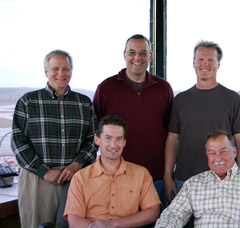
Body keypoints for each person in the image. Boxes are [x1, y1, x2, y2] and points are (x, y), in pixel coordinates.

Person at [11, 49, 97, 228]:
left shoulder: (84, 103)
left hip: (75, 178)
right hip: (38, 179)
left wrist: (77, 164)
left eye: (66, 69)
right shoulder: (28, 102)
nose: (61, 73)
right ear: (46, 71)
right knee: (38, 224)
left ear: (71, 71)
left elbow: (92, 140)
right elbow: (18, 144)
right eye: (55, 68)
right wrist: (43, 171)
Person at [164, 40, 240, 203]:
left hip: (222, 183)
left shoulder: (233, 100)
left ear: (218, 64)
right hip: (184, 181)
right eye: (201, 59)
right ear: (194, 63)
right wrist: (168, 177)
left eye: (210, 60)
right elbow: (172, 141)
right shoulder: (180, 100)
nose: (205, 64)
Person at [93, 34, 174, 206]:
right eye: (132, 52)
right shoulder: (106, 88)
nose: (137, 57)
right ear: (124, 55)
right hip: (117, 178)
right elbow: (96, 133)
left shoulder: (163, 89)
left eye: (143, 53)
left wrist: (168, 176)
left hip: (156, 178)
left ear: (150, 56)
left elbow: (171, 135)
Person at [155, 130, 240, 227]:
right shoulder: (193, 184)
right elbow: (173, 214)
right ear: (207, 156)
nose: (218, 158)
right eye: (212, 153)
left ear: (234, 152)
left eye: (223, 151)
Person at [64, 115, 161, 227]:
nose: (113, 145)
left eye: (119, 139)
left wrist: (114, 224)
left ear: (124, 142)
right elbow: (74, 221)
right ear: (97, 139)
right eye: (108, 138)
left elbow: (153, 211)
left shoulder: (141, 174)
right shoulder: (80, 177)